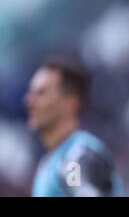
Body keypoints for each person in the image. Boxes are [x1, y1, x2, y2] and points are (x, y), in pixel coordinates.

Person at [25, 59, 122, 197]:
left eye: (41, 93)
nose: (29, 101)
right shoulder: (48, 163)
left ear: (70, 103)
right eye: (30, 93)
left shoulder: (75, 157)